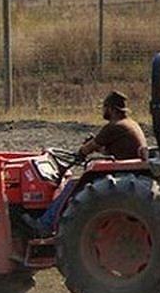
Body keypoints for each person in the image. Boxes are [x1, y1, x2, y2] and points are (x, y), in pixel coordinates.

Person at [23, 91, 147, 236]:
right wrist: (96, 148)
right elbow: (110, 150)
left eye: (105, 107)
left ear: (112, 109)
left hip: (120, 171)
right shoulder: (131, 124)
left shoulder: (115, 126)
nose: (103, 111)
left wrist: (82, 151)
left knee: (72, 185)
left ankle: (45, 224)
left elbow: (88, 148)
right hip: (127, 168)